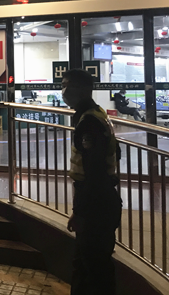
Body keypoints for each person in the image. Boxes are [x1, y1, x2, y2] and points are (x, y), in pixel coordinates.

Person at [62, 69, 122, 295]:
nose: (64, 91)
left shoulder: (88, 122)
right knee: (87, 263)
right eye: (63, 85)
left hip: (96, 204)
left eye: (69, 85)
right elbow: (116, 151)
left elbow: (94, 172)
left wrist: (80, 213)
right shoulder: (97, 114)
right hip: (102, 200)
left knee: (94, 268)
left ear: (84, 90)